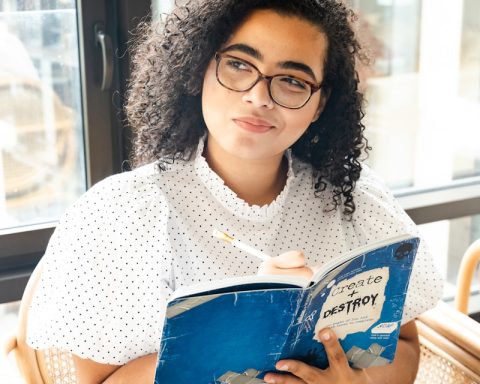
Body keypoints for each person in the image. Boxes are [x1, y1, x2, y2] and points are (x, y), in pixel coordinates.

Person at [26, 0, 443, 383]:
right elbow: (95, 381)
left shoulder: (354, 201)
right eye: (240, 65)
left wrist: (355, 381)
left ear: (320, 103)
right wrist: (241, 330)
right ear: (198, 69)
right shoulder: (121, 214)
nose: (259, 97)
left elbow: (404, 349)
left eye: (293, 80)